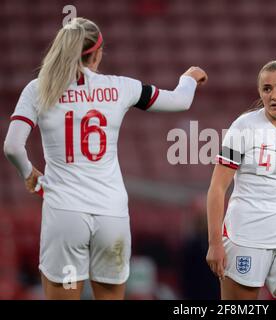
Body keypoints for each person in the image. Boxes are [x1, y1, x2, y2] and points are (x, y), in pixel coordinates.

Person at [3, 17, 207, 300]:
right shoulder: (120, 87)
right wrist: (190, 78)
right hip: (111, 214)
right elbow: (180, 100)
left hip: (64, 213)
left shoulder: (38, 89)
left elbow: (12, 146)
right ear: (98, 53)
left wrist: (29, 174)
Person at [206, 59, 276, 300]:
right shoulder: (243, 127)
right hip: (246, 236)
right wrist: (215, 243)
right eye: (267, 89)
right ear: (260, 92)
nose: (274, 95)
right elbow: (217, 188)